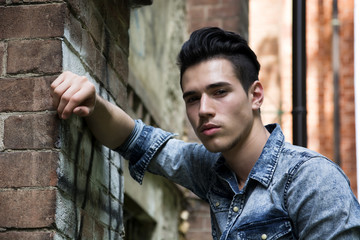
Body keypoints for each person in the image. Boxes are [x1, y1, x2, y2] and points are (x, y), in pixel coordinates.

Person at [51, 27, 360, 239]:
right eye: (192, 98)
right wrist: (91, 102)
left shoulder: (311, 179)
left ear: (256, 96)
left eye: (220, 91)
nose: (204, 109)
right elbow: (134, 139)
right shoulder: (212, 169)